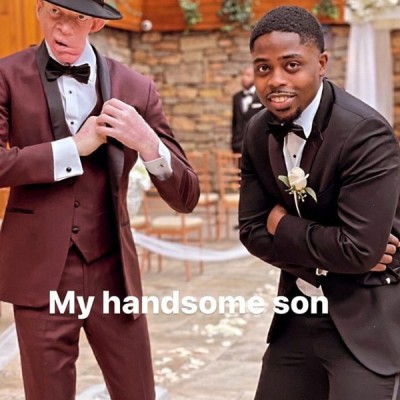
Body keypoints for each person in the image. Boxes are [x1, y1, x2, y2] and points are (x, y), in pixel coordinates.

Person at [0, 1, 200, 399]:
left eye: (78, 17)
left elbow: (186, 195)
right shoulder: (6, 75)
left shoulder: (137, 87)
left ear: (96, 23)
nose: (64, 28)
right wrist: (73, 148)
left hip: (113, 273)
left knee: (137, 392)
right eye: (55, 12)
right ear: (38, 9)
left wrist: (148, 142)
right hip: (41, 273)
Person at [239, 6, 400, 400]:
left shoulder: (365, 133)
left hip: (366, 319)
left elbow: (358, 250)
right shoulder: (258, 131)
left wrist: (282, 225)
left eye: (291, 65)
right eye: (263, 68)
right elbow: (251, 231)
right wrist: (338, 256)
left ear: (322, 64)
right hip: (297, 314)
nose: (276, 80)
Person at [231, 66, 263, 154]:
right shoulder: (236, 97)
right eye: (243, 75)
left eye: (248, 75)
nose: (244, 78)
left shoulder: (261, 96)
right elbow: (235, 122)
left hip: (257, 145)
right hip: (238, 145)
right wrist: (234, 142)